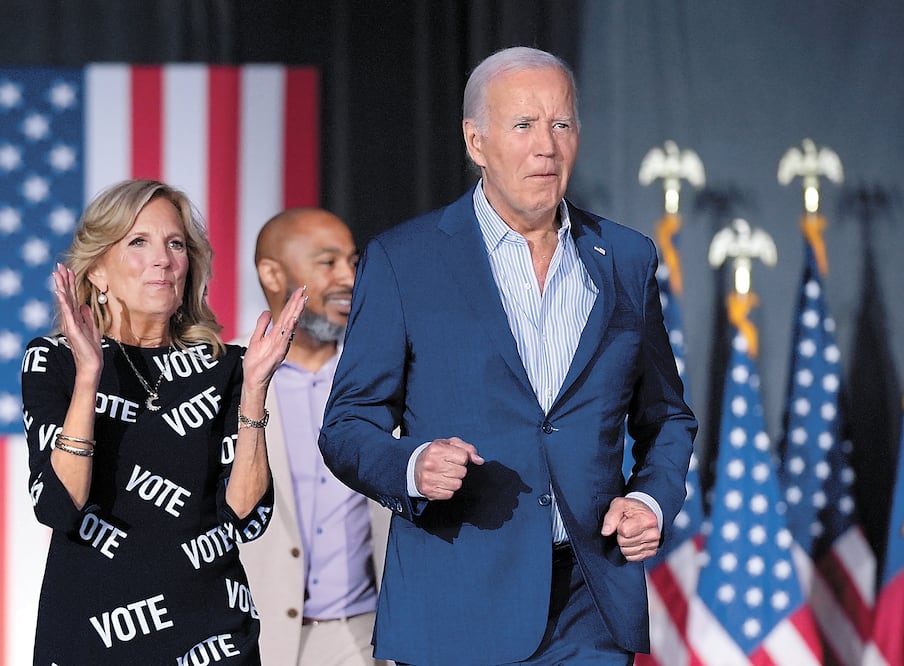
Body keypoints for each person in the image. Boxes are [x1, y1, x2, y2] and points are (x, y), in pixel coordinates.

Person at [319, 46, 698, 665]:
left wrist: (650, 499)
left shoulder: (626, 258)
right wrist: (411, 467)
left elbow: (667, 419)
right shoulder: (404, 260)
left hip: (589, 606)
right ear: (476, 142)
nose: (546, 146)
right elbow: (347, 424)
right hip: (455, 604)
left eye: (561, 124)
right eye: (524, 125)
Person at [21, 179, 305, 664]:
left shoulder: (228, 366)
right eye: (138, 242)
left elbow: (244, 517)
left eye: (176, 244)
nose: (163, 259)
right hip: (92, 636)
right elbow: (57, 507)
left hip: (212, 634)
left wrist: (255, 391)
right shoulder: (55, 362)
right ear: (99, 274)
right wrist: (90, 376)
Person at [237, 208, 390, 666]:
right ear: (272, 272)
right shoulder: (230, 380)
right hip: (251, 636)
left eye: (353, 261)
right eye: (328, 263)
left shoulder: (384, 376)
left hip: (362, 638)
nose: (348, 277)